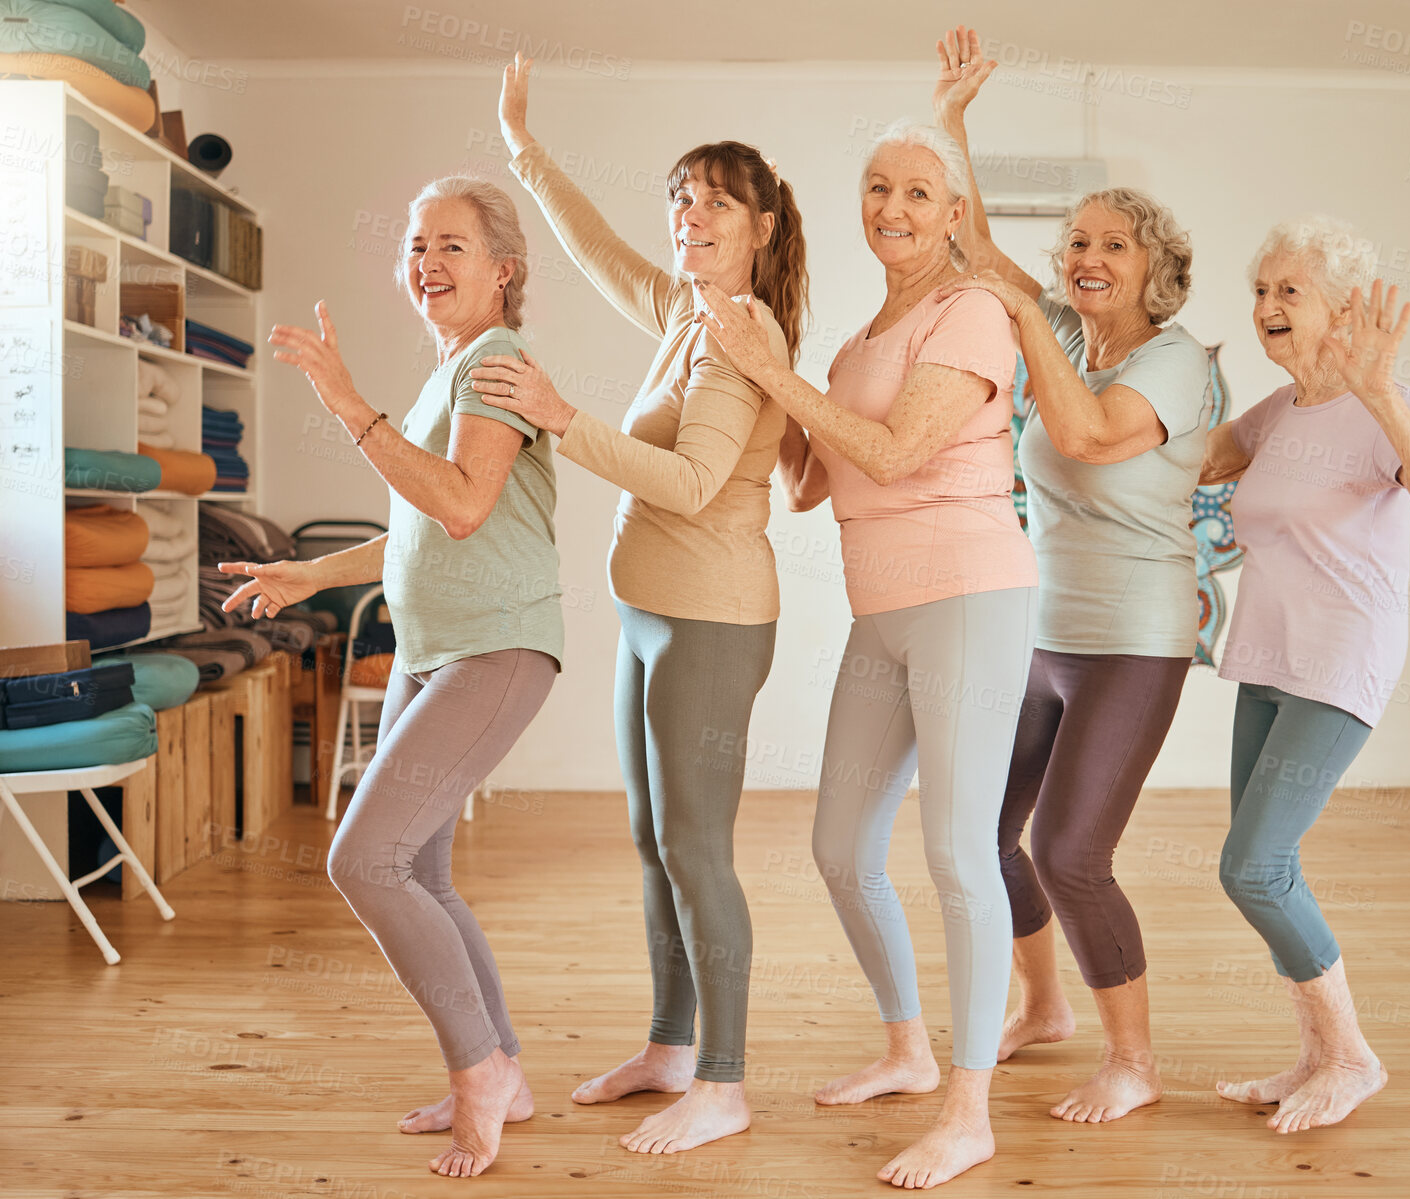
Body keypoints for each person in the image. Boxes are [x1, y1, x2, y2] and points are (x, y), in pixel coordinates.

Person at [460, 52, 808, 1155]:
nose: (688, 216)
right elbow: (595, 245)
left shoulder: (742, 338)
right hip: (651, 615)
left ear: (758, 227)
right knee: (652, 837)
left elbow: (696, 483)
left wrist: (562, 417)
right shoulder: (682, 311)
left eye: (713, 201)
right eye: (680, 199)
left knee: (698, 847)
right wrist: (521, 146)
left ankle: (725, 1077)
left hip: (711, 618)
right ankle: (669, 1045)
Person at [697, 119, 1034, 1190]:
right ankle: (905, 1046)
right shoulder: (853, 343)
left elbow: (891, 450)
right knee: (841, 844)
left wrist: (773, 375)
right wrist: (760, 371)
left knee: (953, 852)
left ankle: (968, 1110)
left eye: (918, 192)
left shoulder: (970, 312)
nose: (892, 205)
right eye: (877, 186)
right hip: (878, 610)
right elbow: (813, 478)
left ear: (954, 215)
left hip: (968, 598)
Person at [223, 173, 564, 1177]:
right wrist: (309, 572)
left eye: (452, 244)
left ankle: (476, 1074)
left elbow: (461, 505)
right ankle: (503, 1063)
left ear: (504, 271)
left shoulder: (497, 362)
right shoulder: (448, 371)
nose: (427, 262)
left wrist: (340, 396)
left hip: (495, 646)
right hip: (433, 644)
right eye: (417, 244)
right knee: (415, 867)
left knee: (362, 858)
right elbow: (415, 529)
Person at [930, 25, 1214, 1123]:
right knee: (982, 832)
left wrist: (1032, 319)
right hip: (1038, 631)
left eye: (1113, 247)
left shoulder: (1174, 360)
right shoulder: (1058, 327)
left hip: (1135, 639)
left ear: (1154, 271)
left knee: (1069, 849)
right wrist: (953, 127)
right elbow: (980, 261)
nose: (1085, 259)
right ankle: (1041, 1006)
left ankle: (1131, 1058)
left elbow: (1092, 436)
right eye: (1076, 245)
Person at [1199, 216, 1410, 1133]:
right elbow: (1188, 457)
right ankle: (1316, 1053)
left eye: (1290, 291)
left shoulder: (1385, 405)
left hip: (1340, 660)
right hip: (1268, 660)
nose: (1268, 307)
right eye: (1262, 291)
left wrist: (1383, 392)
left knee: (1255, 866)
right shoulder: (1277, 413)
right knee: (1259, 865)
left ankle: (1351, 1055)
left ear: (1342, 309)